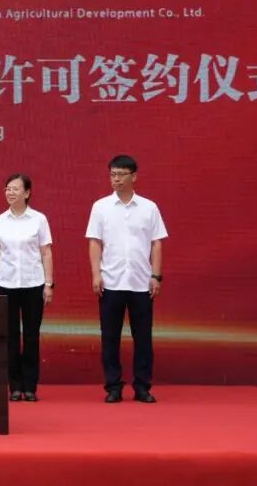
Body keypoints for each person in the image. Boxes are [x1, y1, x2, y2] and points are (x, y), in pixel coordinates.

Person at [86, 154, 168, 403]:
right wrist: (96, 274)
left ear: (134, 176)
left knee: (143, 337)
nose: (116, 179)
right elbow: (94, 242)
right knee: (110, 337)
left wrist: (156, 276)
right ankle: (113, 386)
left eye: (121, 174)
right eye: (113, 175)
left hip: (141, 282)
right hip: (111, 281)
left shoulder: (149, 207)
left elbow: (156, 243)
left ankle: (142, 386)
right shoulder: (100, 207)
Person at [0, 174, 54, 402]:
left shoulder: (39, 219)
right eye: (7, 188)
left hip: (33, 283)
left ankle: (30, 386)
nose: (10, 192)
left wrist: (48, 284)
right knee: (11, 336)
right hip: (5, 283)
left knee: (32, 336)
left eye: (15, 189)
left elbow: (46, 252)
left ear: (27, 193)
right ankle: (15, 386)